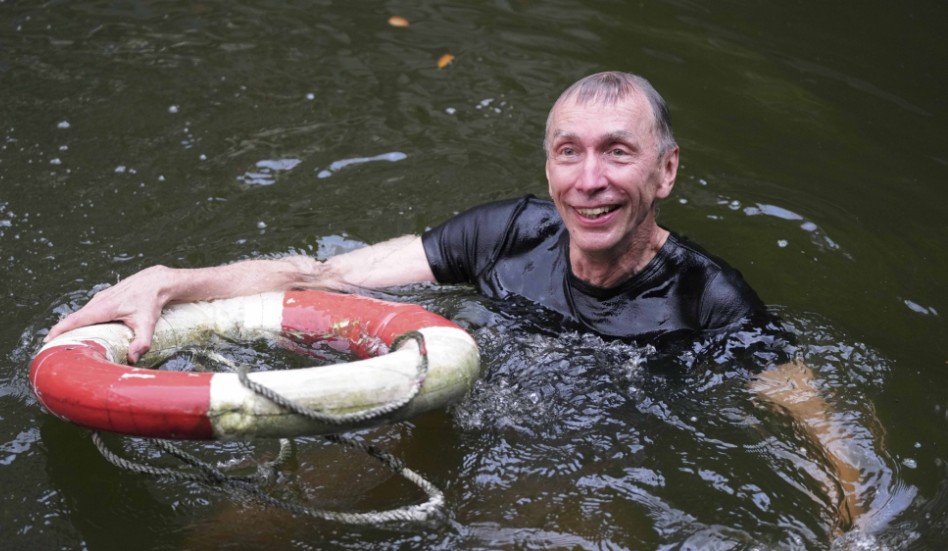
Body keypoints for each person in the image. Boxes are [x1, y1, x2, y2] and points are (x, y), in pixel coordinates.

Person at [45, 71, 867, 532]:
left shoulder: (712, 298)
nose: (590, 180)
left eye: (619, 152)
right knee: (231, 535)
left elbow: (818, 421)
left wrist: (854, 516)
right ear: (548, 167)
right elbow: (327, 278)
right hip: (456, 414)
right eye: (569, 153)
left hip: (590, 470)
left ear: (667, 171)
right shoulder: (505, 234)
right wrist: (174, 281)